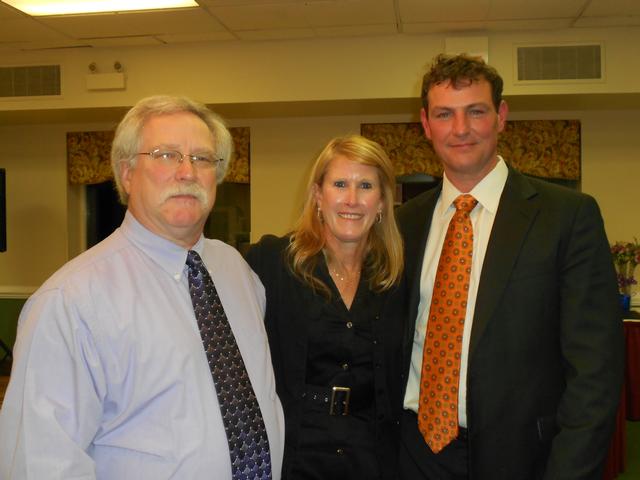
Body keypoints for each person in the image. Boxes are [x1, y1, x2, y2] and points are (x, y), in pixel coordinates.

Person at [0, 95, 284, 479]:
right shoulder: (70, 302)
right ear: (127, 173)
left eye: (202, 158)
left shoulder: (237, 272)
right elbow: (40, 465)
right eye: (166, 155)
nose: (187, 172)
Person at [396, 53, 623, 479]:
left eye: (475, 112)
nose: (460, 129)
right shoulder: (402, 224)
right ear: (426, 125)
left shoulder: (566, 216)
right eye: (445, 114)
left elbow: (596, 371)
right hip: (414, 453)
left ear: (501, 116)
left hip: (523, 457)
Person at [246, 134, 405, 479]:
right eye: (339, 184)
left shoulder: (395, 279)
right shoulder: (272, 262)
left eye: (365, 185)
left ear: (381, 202)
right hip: (295, 456)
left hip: (373, 458)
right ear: (318, 195)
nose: (351, 199)